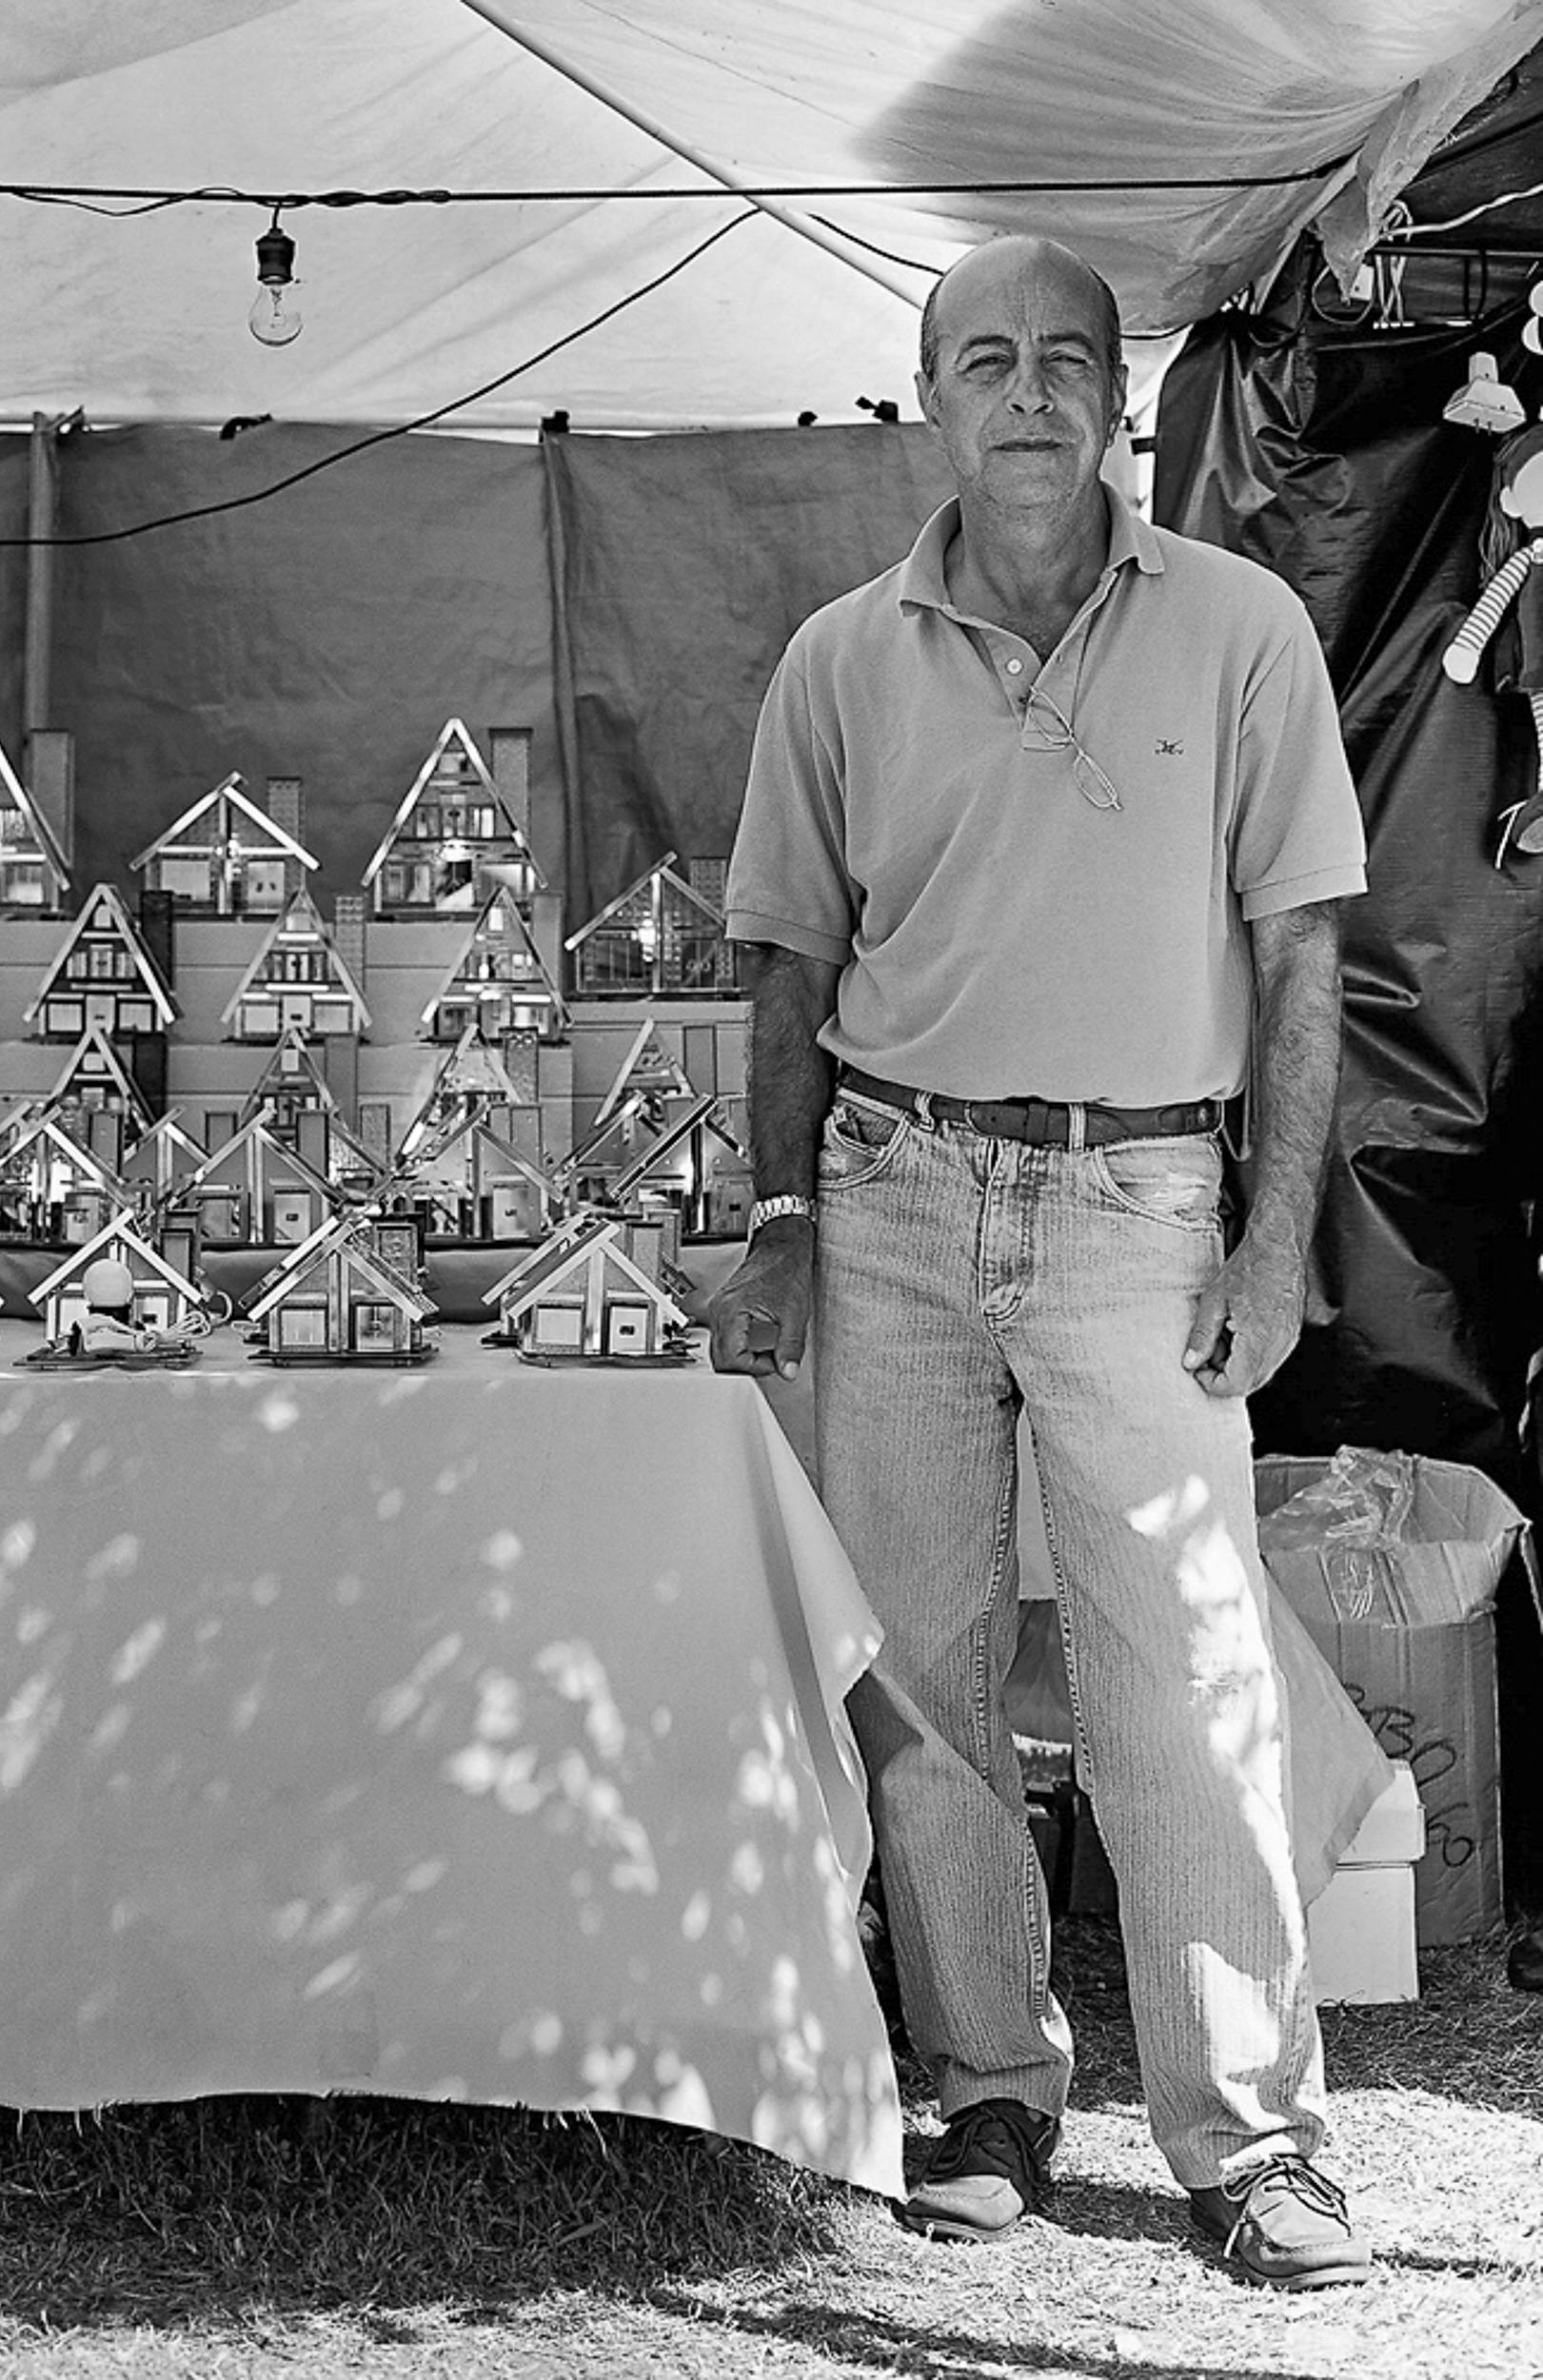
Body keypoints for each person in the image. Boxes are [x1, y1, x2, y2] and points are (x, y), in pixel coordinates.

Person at [709, 234, 1372, 2290]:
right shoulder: (837, 658)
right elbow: (782, 960)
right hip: (893, 1194)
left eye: (1064, 361)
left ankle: (1249, 2144)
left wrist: (1271, 1239)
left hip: (1137, 1212)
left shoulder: (1239, 629)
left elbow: (1298, 948)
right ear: (928, 400)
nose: (1025, 394)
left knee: (1179, 1673)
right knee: (913, 1672)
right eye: (982, 360)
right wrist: (782, 1209)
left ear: (1116, 399)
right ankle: (983, 2086)